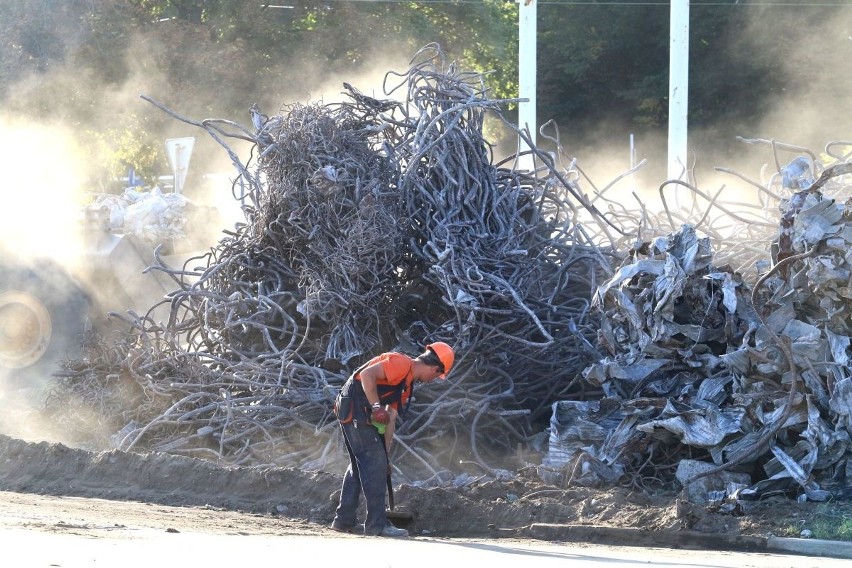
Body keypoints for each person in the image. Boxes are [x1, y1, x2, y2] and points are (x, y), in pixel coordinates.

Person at [330, 341, 455, 537]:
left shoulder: (405, 385)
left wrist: (386, 455)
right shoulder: (400, 363)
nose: (434, 379)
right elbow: (366, 375)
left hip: (356, 409)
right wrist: (377, 407)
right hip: (354, 406)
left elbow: (391, 418)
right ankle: (377, 525)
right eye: (438, 375)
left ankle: (343, 520)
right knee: (372, 462)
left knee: (362, 463)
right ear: (434, 367)